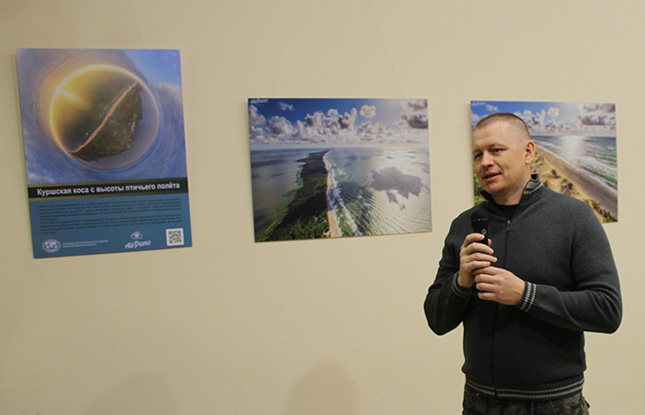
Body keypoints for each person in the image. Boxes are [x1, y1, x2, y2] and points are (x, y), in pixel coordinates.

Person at [424, 112, 622, 414]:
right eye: (477, 155)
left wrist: (526, 295)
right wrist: (461, 283)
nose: (484, 162)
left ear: (528, 152)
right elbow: (436, 320)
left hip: (552, 403)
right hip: (478, 401)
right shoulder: (463, 225)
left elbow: (607, 310)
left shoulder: (575, 218)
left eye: (496, 150)